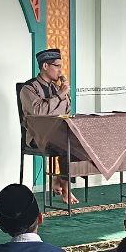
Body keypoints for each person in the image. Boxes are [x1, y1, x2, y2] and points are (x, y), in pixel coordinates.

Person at [19, 48, 78, 205]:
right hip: (38, 136)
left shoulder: (56, 88)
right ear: (45, 66)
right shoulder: (28, 88)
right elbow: (38, 112)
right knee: (68, 143)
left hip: (59, 133)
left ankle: (58, 178)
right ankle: (66, 189)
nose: (60, 71)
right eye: (57, 66)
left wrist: (63, 94)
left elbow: (66, 111)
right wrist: (59, 96)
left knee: (81, 140)